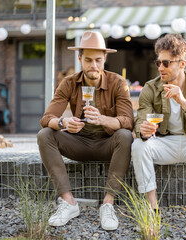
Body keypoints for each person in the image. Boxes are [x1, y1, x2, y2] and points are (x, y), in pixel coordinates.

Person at [37, 31, 134, 230]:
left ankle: (108, 203)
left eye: (98, 60)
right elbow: (46, 119)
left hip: (108, 144)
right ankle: (68, 202)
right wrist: (63, 123)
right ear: (80, 58)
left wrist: (103, 119)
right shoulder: (69, 83)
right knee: (45, 135)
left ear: (105, 58)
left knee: (125, 136)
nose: (94, 66)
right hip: (79, 143)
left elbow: (128, 121)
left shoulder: (117, 83)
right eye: (88, 60)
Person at [132, 34, 186, 234]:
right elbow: (139, 122)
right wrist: (142, 130)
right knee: (138, 145)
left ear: (182, 64)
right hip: (165, 143)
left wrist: (182, 101)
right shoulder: (150, 88)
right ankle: (152, 211)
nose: (160, 67)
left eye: (166, 63)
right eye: (158, 62)